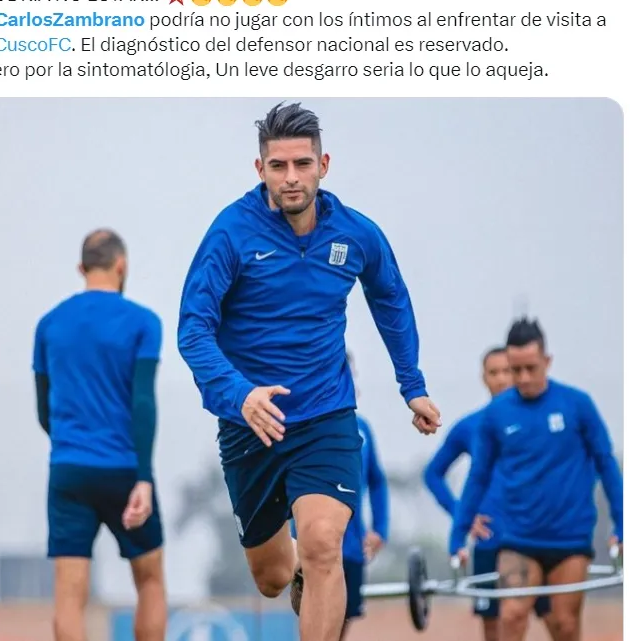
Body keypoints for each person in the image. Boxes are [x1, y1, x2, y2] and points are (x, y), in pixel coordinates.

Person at [177, 102, 441, 641]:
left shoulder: (356, 234)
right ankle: (292, 560)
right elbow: (193, 329)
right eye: (278, 166)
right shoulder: (231, 233)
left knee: (325, 545)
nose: (291, 177)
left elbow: (390, 298)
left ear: (324, 164)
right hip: (252, 423)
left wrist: (411, 385)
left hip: (326, 415)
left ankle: (312, 564)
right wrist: (239, 394)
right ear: (261, 170)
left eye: (302, 163)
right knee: (272, 577)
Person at [450, 318, 623, 641]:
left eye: (531, 368)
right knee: (511, 616)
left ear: (547, 361)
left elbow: (606, 464)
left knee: (564, 625)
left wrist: (622, 522)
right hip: (517, 537)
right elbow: (478, 477)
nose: (523, 378)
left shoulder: (577, 405)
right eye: (516, 370)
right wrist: (458, 534)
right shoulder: (496, 414)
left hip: (569, 538)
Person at [32, 229, 167, 641]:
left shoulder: (49, 325)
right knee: (149, 580)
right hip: (124, 469)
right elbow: (142, 402)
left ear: (81, 268)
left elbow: (44, 411)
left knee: (69, 594)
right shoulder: (144, 323)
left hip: (68, 470)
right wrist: (143, 477)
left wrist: (72, 444)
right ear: (121, 265)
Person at [424, 347, 552, 641]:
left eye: (508, 371)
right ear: (484, 378)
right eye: (494, 372)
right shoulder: (471, 425)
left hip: (537, 537)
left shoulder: (542, 419)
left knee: (556, 619)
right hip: (490, 541)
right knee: (493, 626)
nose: (502, 379)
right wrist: (463, 516)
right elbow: (433, 474)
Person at [290, 352, 390, 640]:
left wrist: (380, 529)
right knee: (313, 622)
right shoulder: (298, 427)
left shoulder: (362, 428)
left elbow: (377, 481)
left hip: (352, 549)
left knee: (339, 627)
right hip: (310, 548)